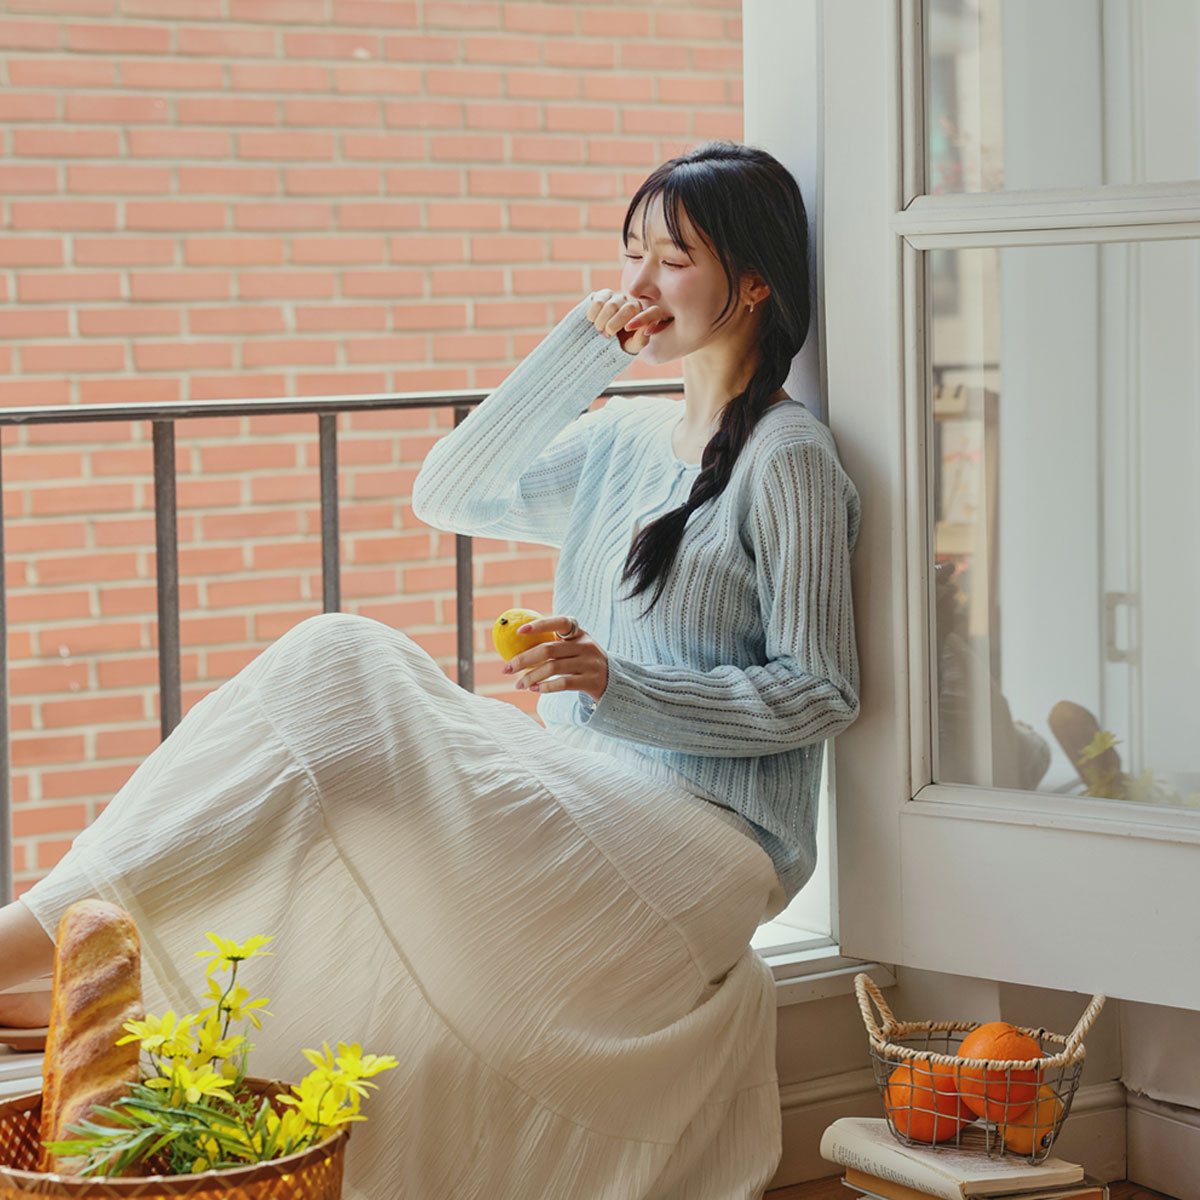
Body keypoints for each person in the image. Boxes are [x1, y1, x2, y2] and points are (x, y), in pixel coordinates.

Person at [0, 140, 860, 1199]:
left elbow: (821, 691)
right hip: (590, 798)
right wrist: (577, 357)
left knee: (344, 664)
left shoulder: (788, 460)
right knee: (337, 707)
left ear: (757, 280)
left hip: (704, 846)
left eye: (672, 259)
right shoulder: (626, 438)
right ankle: (94, 955)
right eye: (628, 252)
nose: (635, 285)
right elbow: (449, 494)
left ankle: (37, 949)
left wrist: (615, 687)